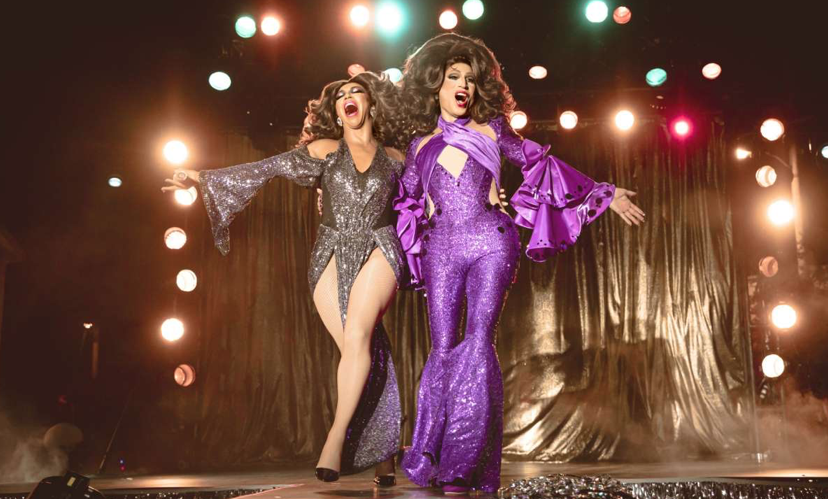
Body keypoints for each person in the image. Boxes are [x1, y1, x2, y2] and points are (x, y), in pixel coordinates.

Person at [394, 34, 645, 494]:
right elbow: (403, 202)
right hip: (441, 248)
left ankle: (462, 464)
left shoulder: (493, 129)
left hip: (492, 240)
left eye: (471, 79)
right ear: (434, 85)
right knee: (443, 348)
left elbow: (542, 165)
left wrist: (602, 194)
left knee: (477, 341)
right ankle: (436, 453)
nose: (463, 85)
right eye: (453, 77)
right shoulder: (418, 145)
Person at [162, 72, 408, 486]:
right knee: (363, 350)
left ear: (371, 104)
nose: (348, 97)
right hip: (330, 253)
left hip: (381, 248)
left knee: (358, 338)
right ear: (336, 111)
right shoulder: (324, 149)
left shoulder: (397, 157)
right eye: (340, 95)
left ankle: (335, 438)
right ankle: (384, 453)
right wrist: (202, 176)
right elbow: (267, 168)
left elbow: (430, 193)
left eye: (356, 91)